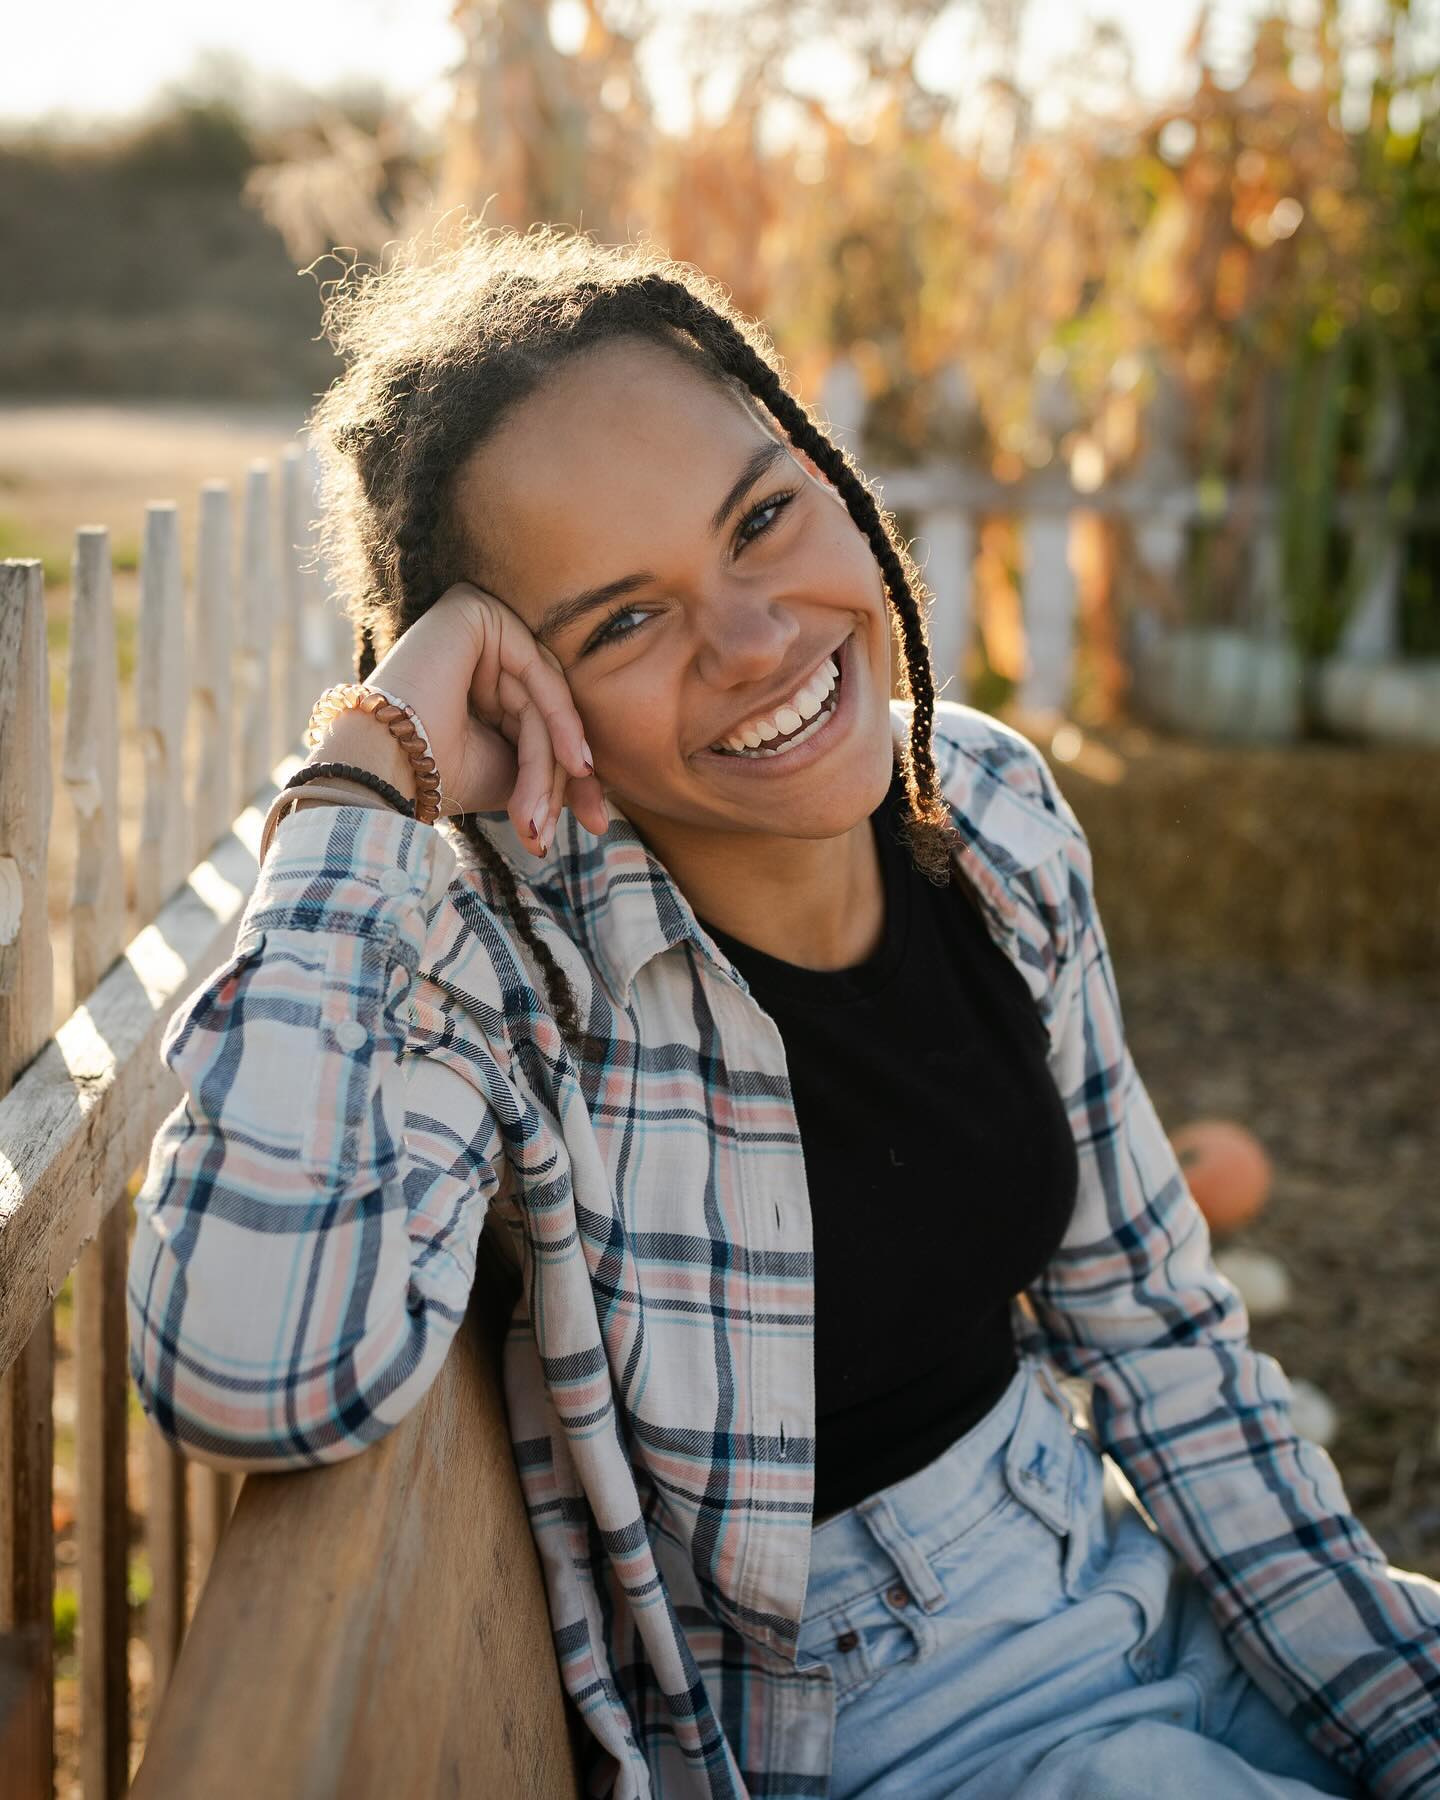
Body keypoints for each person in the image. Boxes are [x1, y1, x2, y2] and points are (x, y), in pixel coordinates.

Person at [125, 223, 1440, 1800]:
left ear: (824, 470)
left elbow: (1161, 1337)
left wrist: (1398, 1708)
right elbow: (247, 1369)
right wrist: (360, 770)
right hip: (898, 1728)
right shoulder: (510, 993)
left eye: (761, 518)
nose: (754, 642)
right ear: (519, 699)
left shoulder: (992, 815)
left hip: (1121, 1568)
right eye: (621, 620)